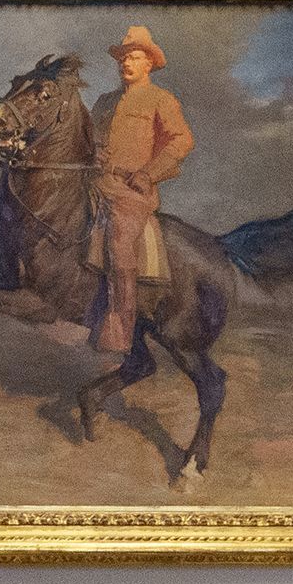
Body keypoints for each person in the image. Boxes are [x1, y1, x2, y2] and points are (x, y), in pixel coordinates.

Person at [85, 23, 194, 355]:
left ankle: (120, 327)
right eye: (122, 58)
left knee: (119, 242)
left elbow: (182, 141)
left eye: (133, 57)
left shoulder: (161, 99)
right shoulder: (104, 102)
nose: (125, 63)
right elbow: (90, 141)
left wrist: (149, 174)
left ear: (149, 63)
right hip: (95, 182)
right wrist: (93, 152)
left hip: (132, 191)